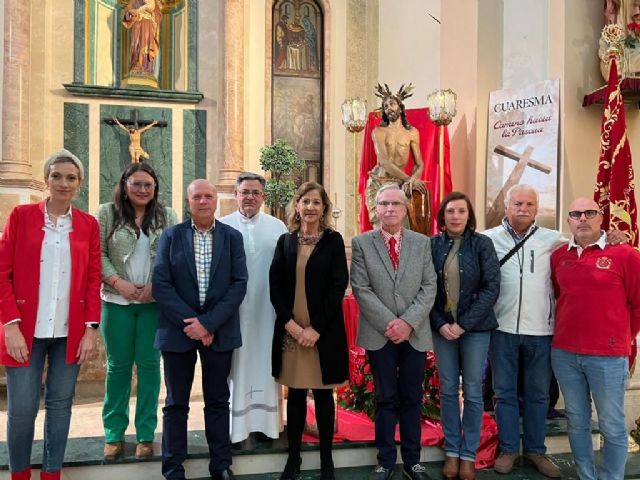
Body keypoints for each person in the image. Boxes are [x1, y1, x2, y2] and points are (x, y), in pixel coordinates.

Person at [0, 149, 101, 480]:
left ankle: (51, 473)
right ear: (46, 179)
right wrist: (10, 325)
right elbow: (2, 272)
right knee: (22, 410)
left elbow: (93, 278)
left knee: (60, 407)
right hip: (24, 330)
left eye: (71, 178)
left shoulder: (88, 224)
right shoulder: (21, 216)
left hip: (68, 332)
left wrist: (91, 329)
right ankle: (19, 474)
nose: (63, 183)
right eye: (56, 176)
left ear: (79, 183)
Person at [152, 179, 248, 480]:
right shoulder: (171, 236)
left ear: (216, 201)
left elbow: (239, 284)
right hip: (178, 331)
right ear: (188, 202)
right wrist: (194, 323)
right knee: (176, 403)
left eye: (208, 196)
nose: (203, 201)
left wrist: (208, 323)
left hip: (219, 331)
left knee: (218, 401)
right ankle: (173, 468)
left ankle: (221, 465)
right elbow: (161, 284)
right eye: (197, 197)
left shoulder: (232, 238)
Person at [350, 184, 437, 480]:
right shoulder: (362, 243)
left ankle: (413, 462)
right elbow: (361, 288)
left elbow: (429, 286)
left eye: (395, 204)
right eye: (384, 204)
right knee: (385, 398)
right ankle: (385, 462)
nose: (389, 209)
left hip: (414, 333)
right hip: (380, 333)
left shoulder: (422, 243)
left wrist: (408, 323)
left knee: (412, 397)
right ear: (376, 209)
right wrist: (391, 323)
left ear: (405, 208)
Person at [551, 197, 640, 480]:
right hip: (564, 353)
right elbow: (561, 297)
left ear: (601, 218)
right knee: (577, 422)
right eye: (576, 214)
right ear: (569, 220)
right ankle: (586, 476)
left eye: (589, 213)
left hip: (608, 356)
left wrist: (621, 337)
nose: (583, 219)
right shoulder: (559, 256)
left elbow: (638, 304)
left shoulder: (625, 254)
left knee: (612, 425)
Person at [96, 162, 178, 460]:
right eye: (136, 184)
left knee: (149, 367)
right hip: (116, 302)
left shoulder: (167, 215)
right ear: (125, 185)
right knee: (117, 368)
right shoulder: (107, 213)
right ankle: (113, 433)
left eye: (148, 185)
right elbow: (97, 253)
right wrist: (118, 283)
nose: (142, 190)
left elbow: (174, 255)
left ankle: (145, 433)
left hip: (153, 305)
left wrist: (155, 286)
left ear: (155, 188)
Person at [269, 182, 349, 480]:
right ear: (297, 205)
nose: (311, 207)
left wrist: (315, 329)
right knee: (296, 395)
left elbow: (338, 285)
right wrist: (290, 324)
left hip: (322, 332)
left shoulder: (333, 241)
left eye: (317, 202)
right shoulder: (285, 242)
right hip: (291, 330)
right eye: (306, 201)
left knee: (324, 396)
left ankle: (327, 460)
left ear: (324, 207)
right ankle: (294, 458)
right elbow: (275, 286)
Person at [483, 184, 563, 477]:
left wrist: (611, 236)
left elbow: (585, 240)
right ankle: (508, 450)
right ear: (506, 206)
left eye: (529, 204)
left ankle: (535, 450)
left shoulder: (552, 239)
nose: (523, 208)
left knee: (538, 395)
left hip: (541, 330)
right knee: (503, 393)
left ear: (536, 208)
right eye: (517, 203)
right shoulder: (488, 238)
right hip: (502, 329)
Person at [430, 192, 501, 480]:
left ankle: (468, 455)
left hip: (475, 330)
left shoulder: (482, 244)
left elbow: (491, 287)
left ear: (469, 215)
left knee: (472, 391)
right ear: (443, 216)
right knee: (448, 389)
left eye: (461, 211)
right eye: (450, 211)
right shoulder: (432, 245)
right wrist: (439, 324)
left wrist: (464, 325)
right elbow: (425, 289)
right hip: (442, 330)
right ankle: (452, 451)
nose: (456, 216)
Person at [219, 172, 287, 444]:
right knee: (236, 366)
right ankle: (236, 428)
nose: (249, 197)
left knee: (266, 363)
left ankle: (266, 426)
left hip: (268, 311)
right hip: (233, 312)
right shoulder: (222, 225)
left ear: (263, 197)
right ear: (236, 195)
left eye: (255, 192)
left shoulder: (277, 227)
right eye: (244, 192)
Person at [366, 84, 427, 227]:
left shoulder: (412, 133)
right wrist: (408, 179)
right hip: (379, 183)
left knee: (402, 227)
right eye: (385, 106)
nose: (389, 108)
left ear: (400, 106)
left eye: (392, 104)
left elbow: (419, 164)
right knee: (381, 228)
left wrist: (412, 180)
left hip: (400, 185)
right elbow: (384, 161)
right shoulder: (379, 132)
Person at [122, 0, 162, 77]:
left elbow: (158, 14)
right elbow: (127, 14)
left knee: (146, 46)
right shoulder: (134, 1)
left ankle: (146, 68)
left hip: (148, 25)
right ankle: (135, 65)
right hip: (137, 25)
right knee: (136, 45)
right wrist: (131, 13)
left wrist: (153, 13)